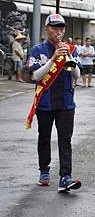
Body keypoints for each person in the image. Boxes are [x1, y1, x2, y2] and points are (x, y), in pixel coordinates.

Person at [26, 14, 82, 192]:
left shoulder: (70, 49)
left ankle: (66, 176)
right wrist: (53, 59)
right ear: (46, 29)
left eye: (61, 28)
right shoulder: (37, 50)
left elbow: (77, 75)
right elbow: (35, 76)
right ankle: (44, 170)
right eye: (55, 28)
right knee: (44, 137)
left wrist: (67, 57)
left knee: (65, 139)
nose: (58, 32)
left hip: (66, 102)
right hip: (45, 102)